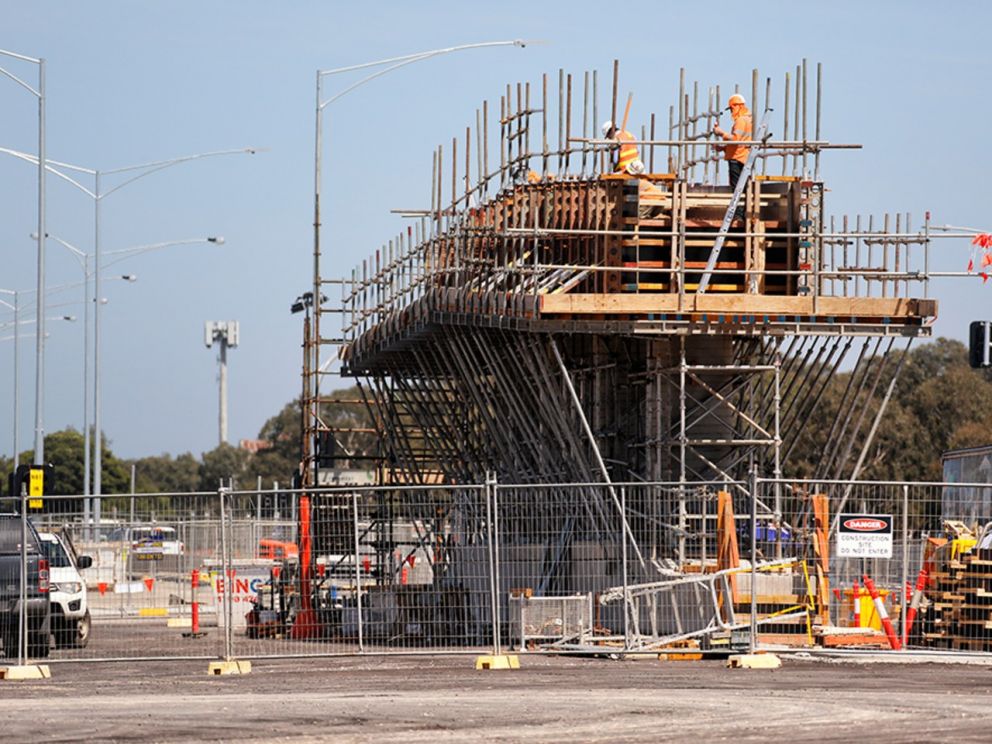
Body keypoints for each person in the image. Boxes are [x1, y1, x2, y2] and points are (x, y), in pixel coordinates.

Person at [712, 93, 752, 191]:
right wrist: (724, 148)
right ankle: (741, 206)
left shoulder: (741, 120)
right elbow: (740, 142)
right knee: (741, 187)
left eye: (732, 108)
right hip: (742, 156)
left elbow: (736, 139)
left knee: (737, 188)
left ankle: (738, 207)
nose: (731, 111)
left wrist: (721, 133)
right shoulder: (747, 119)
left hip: (737, 158)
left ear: (738, 106)